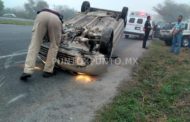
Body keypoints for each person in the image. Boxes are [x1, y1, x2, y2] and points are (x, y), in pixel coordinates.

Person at [20, 8, 63, 81]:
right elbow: (62, 31)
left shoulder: (43, 12)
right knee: (54, 46)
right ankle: (48, 71)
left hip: (42, 15)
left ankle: (27, 71)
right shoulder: (59, 18)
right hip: (56, 19)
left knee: (34, 44)